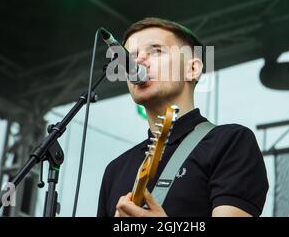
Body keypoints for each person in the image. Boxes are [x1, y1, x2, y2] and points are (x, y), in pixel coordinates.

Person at [97, 17, 268, 217]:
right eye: (130, 56)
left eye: (156, 51)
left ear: (192, 68)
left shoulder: (230, 142)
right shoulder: (115, 170)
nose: (138, 61)